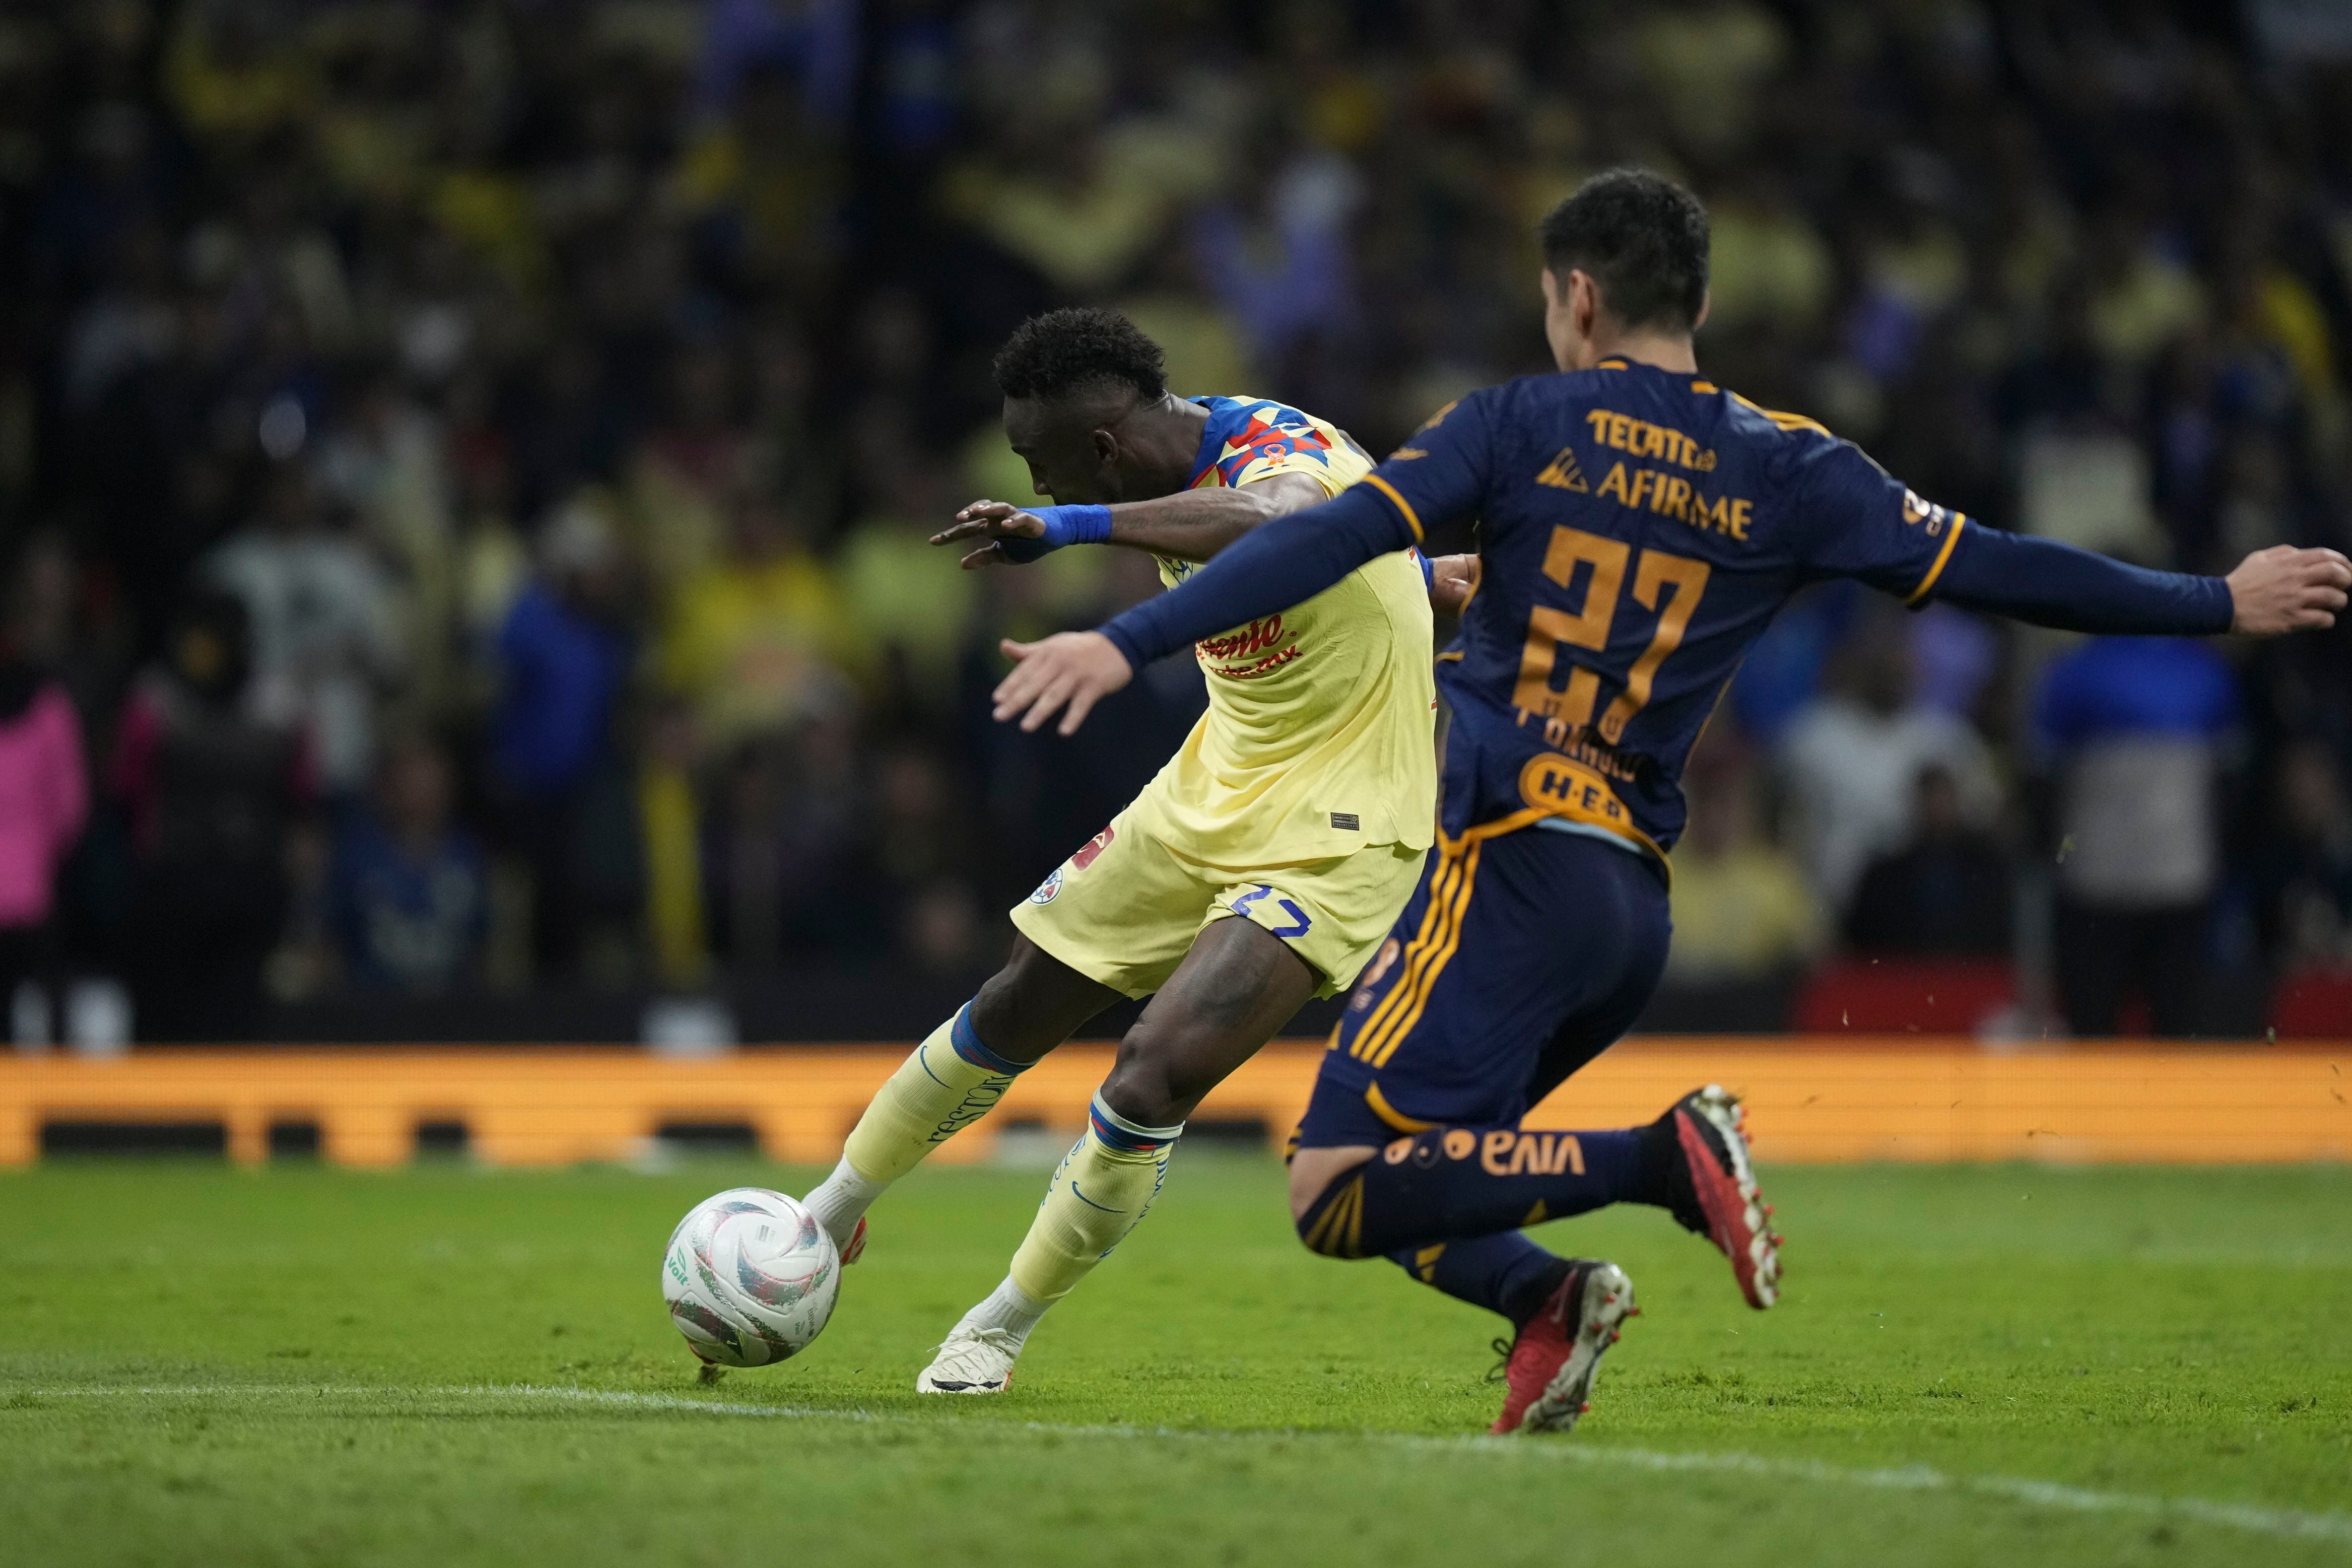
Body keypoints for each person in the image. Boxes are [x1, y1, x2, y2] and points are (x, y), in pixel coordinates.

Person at [988, 169, 2352, 1434]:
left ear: (1574, 298)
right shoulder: (1791, 463)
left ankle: (1658, 1156)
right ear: (1694, 301)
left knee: (1336, 1182)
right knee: (1433, 1168)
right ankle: (1548, 1300)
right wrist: (2214, 601)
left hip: (1498, 857)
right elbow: (1998, 566)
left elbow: (1316, 542)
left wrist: (1121, 640)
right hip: (1630, 905)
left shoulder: (1515, 424)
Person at [796, 306, 1468, 1395]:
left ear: (1100, 450)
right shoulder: (1177, 457)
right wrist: (1425, 587)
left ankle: (997, 1328)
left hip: (1338, 828)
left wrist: (1068, 533)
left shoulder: (1281, 455)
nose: (1038, 483)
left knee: (1153, 1070)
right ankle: (821, 1220)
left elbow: (1278, 519)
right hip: (1211, 787)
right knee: (1016, 1002)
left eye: (1041, 465)